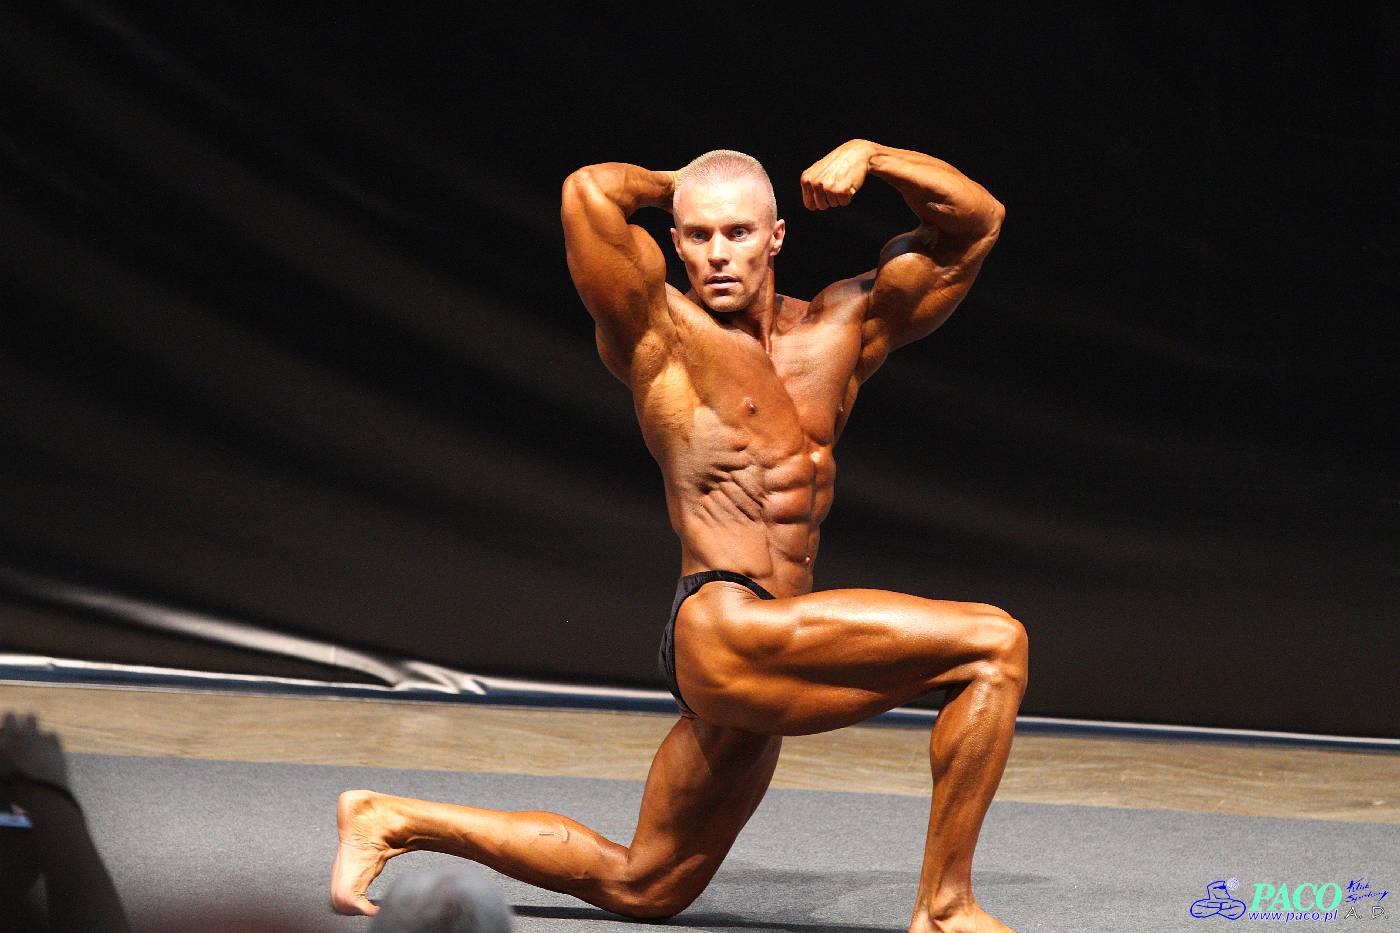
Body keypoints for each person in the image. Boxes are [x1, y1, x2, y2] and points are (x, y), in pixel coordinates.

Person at [331, 139, 1024, 933]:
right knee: (994, 644)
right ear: (676, 243)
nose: (717, 253)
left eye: (737, 232)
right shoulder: (657, 329)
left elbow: (977, 223)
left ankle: (390, 819)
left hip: (777, 633)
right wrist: (678, 184)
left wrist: (875, 157)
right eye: (698, 235)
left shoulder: (844, 327)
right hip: (722, 624)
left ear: (776, 237)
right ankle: (945, 908)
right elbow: (587, 193)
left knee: (648, 883)